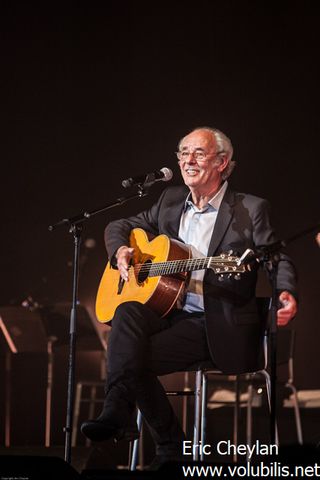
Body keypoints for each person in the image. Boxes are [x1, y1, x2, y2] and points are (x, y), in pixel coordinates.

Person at [81, 126, 298, 466]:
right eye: (183, 153)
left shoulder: (250, 209)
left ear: (223, 162)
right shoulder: (169, 202)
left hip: (215, 322)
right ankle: (152, 437)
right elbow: (117, 226)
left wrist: (285, 292)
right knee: (126, 313)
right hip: (170, 314)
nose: (188, 161)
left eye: (199, 153)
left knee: (128, 357)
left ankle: (160, 440)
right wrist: (122, 250)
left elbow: (276, 256)